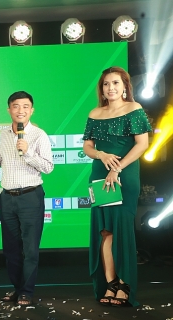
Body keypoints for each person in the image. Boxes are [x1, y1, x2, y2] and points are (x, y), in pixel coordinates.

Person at [82, 66, 150, 307]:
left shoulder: (134, 109)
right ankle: (110, 284)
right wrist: (101, 155)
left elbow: (142, 144)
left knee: (121, 228)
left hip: (124, 174)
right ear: (101, 89)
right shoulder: (95, 113)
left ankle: (124, 284)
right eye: (106, 84)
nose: (110, 88)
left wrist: (117, 168)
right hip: (100, 175)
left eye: (115, 83)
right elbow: (87, 147)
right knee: (105, 231)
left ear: (124, 87)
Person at [0, 91, 54, 306]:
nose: (20, 110)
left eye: (25, 106)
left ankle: (27, 291)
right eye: (16, 106)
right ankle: (17, 288)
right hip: (7, 198)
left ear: (31, 110)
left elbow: (48, 167)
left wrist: (28, 153)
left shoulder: (39, 135)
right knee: (11, 249)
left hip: (30, 197)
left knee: (30, 249)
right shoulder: (4, 134)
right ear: (9, 110)